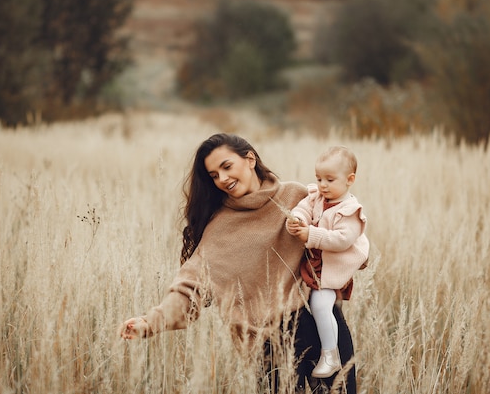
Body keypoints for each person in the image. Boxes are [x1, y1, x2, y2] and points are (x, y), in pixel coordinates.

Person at [119, 133, 358, 393]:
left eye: (226, 167)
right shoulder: (219, 228)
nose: (222, 179)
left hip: (323, 329)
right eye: (213, 175)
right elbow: (189, 288)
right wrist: (150, 322)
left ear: (250, 159)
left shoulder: (298, 197)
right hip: (267, 344)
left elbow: (344, 231)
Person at [286, 145, 369, 379]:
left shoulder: (351, 211)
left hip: (333, 272)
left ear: (350, 179)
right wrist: (297, 221)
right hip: (314, 268)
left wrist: (310, 235)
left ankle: (330, 356)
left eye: (330, 179)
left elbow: (342, 240)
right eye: (319, 178)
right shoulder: (317, 197)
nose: (323, 185)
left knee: (321, 305)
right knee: (309, 305)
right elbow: (302, 209)